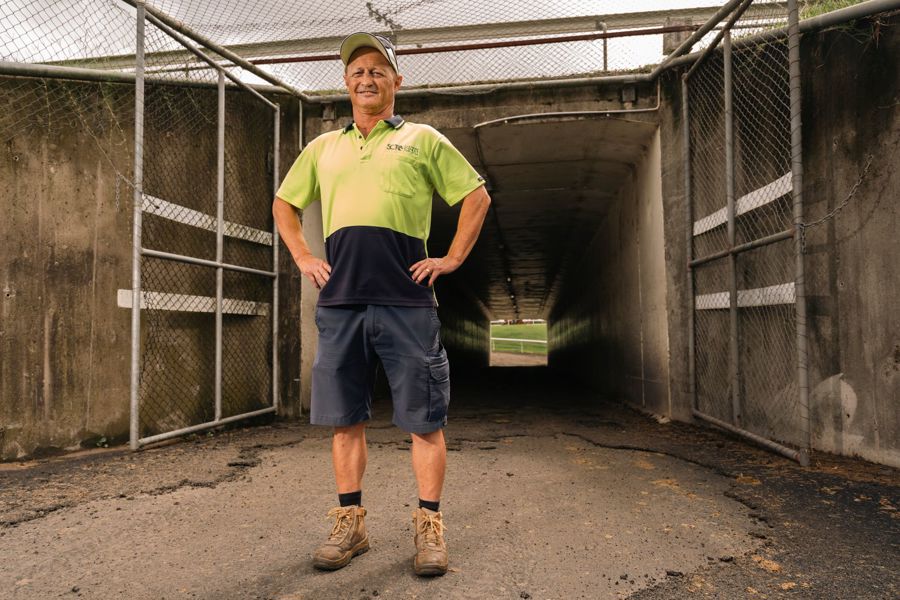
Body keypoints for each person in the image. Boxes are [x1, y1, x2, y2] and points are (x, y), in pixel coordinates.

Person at [272, 32, 491, 576]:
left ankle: (429, 528)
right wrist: (303, 256)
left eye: (377, 71)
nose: (366, 79)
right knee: (345, 421)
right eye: (357, 71)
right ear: (346, 82)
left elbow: (476, 196)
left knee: (424, 421)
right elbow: (283, 204)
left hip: (407, 303)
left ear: (397, 81)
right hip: (341, 303)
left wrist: (451, 258)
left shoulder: (422, 139)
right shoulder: (323, 147)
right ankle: (351, 525)